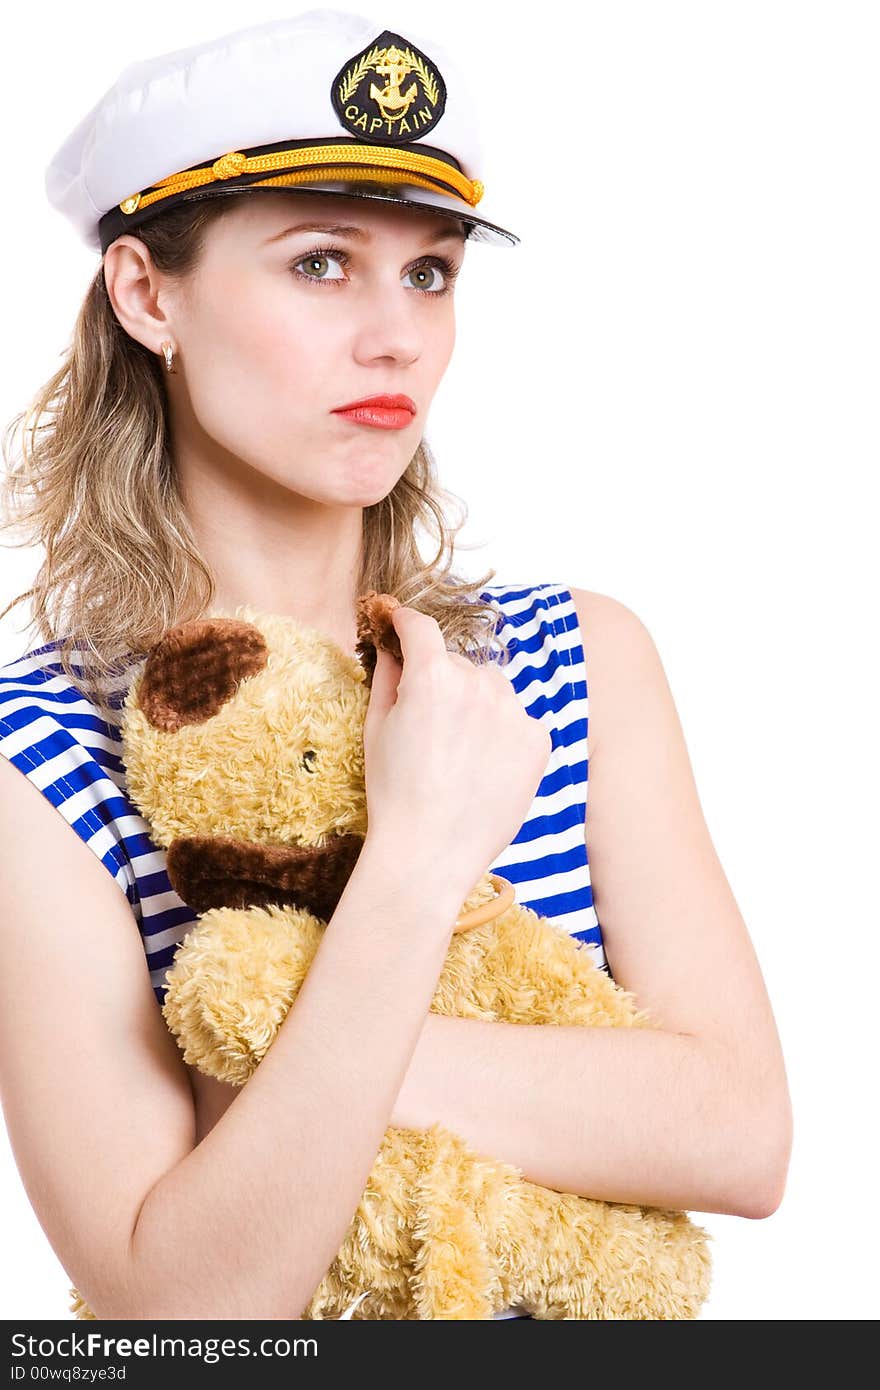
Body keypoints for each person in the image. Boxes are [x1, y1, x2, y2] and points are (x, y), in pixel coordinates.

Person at [0, 10, 792, 1321]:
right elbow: (180, 1312)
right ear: (149, 292)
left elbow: (741, 1131)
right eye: (322, 264)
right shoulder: (41, 757)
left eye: (430, 272)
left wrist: (278, 1084)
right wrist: (421, 854)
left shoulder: (579, 658)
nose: (398, 338)